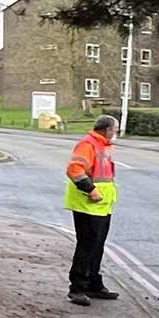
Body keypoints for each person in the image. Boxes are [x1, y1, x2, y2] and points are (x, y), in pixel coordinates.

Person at [65, 115, 120, 306]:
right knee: (86, 245)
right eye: (115, 129)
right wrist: (91, 190)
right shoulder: (88, 145)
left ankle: (92, 282)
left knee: (97, 245)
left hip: (100, 205)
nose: (116, 133)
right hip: (87, 203)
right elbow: (74, 170)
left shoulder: (103, 146)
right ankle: (77, 287)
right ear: (106, 130)